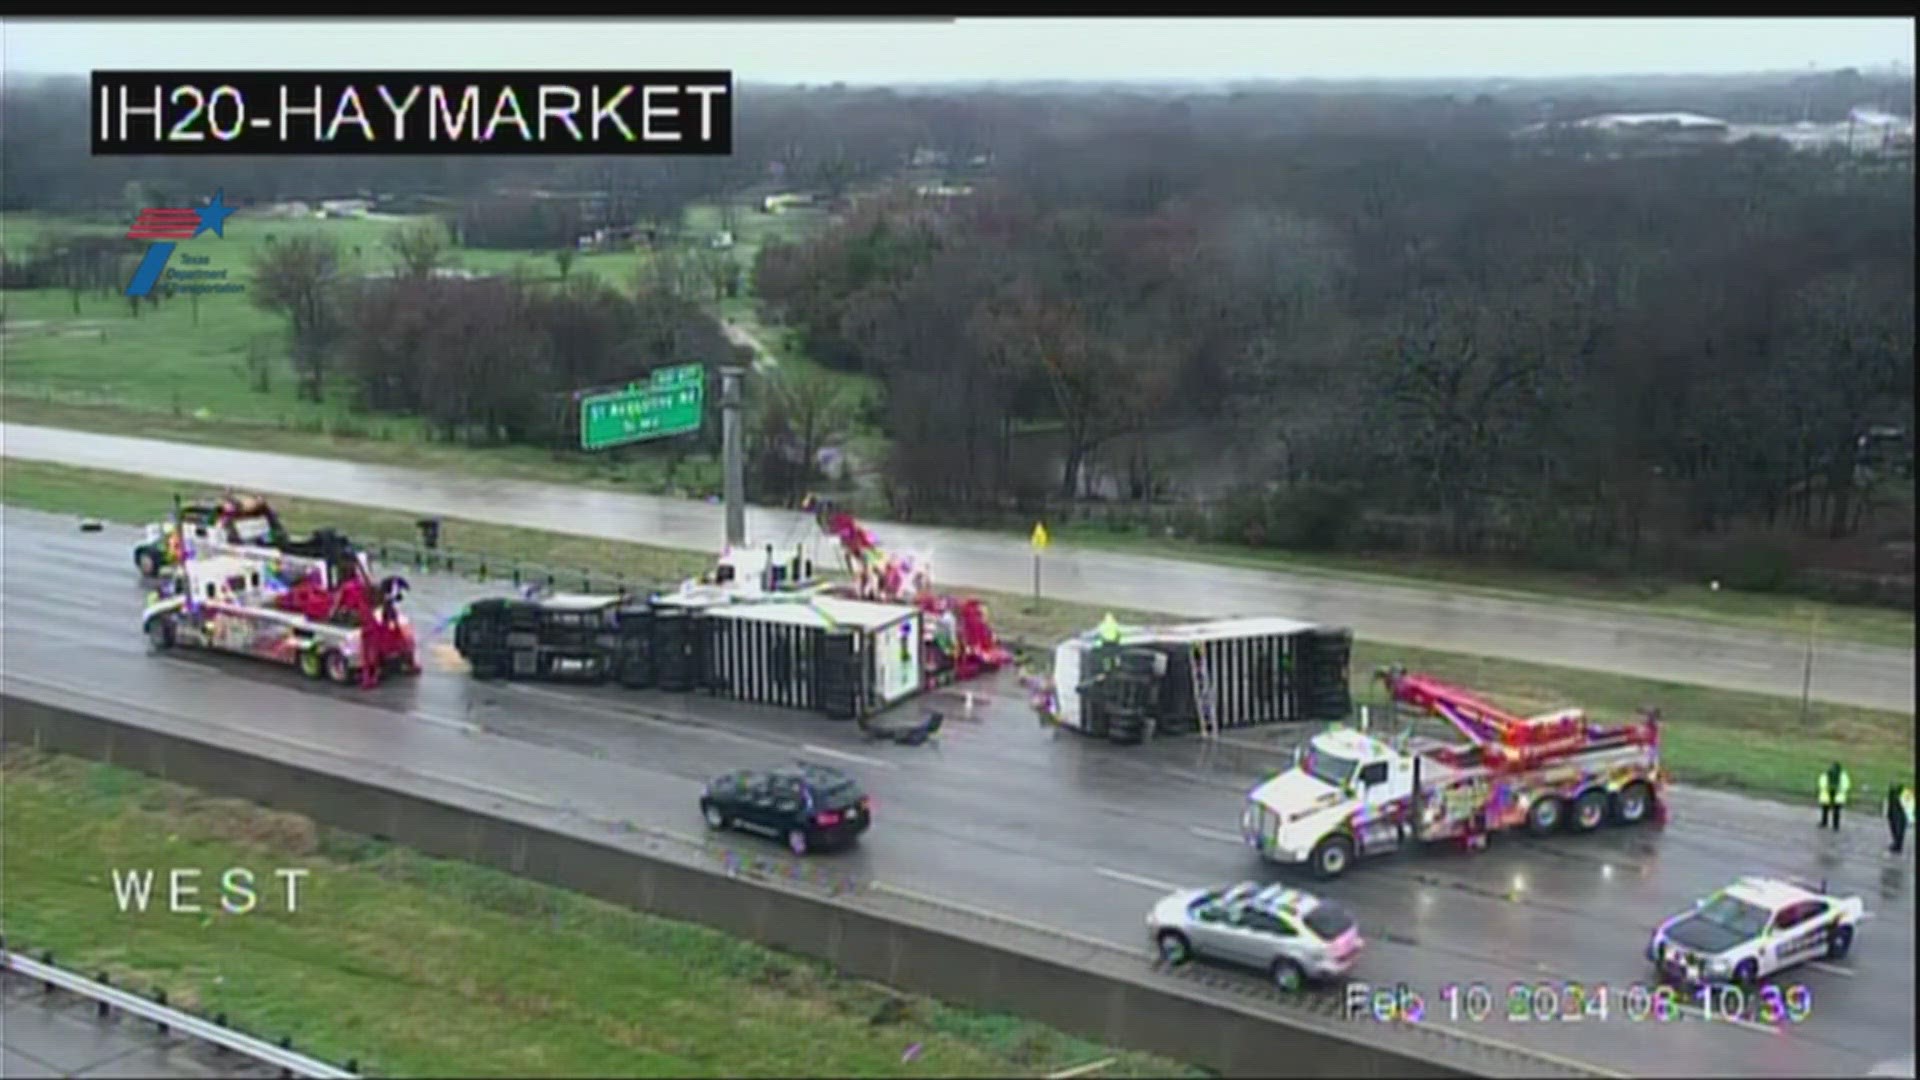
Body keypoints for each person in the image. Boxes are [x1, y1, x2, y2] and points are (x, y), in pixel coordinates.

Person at [1818, 762, 1852, 831]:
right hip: (1837, 796)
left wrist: (1827, 788)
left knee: (1826, 810)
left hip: (1828, 795)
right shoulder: (1843, 775)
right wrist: (1839, 790)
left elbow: (1821, 783)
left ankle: (1825, 823)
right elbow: (1846, 785)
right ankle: (1834, 826)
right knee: (1834, 812)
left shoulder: (1826, 774)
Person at [1887, 781, 1914, 855]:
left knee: (1898, 819)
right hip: (1899, 789)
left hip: (1904, 791)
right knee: (1893, 817)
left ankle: (1898, 844)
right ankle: (1897, 843)